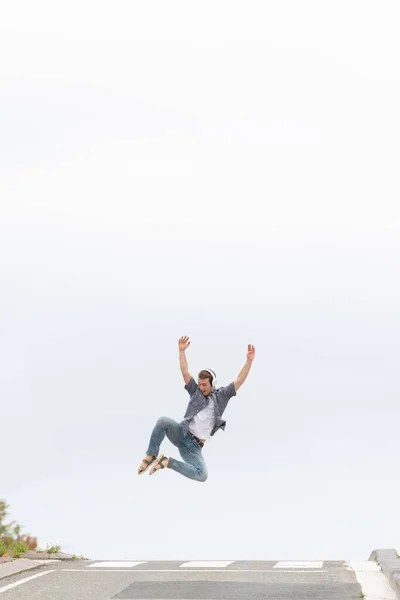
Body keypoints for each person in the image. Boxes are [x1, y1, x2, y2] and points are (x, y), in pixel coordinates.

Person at [137, 335, 256, 482]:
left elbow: (239, 380)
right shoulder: (196, 392)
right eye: (199, 384)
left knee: (202, 475)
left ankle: (166, 462)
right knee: (162, 421)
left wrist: (249, 361)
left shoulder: (222, 396)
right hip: (182, 433)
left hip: (194, 447)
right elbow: (185, 372)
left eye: (204, 385)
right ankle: (151, 455)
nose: (201, 387)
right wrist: (181, 351)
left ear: (213, 383)